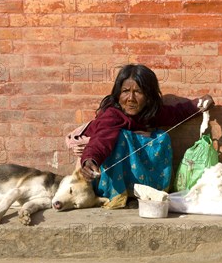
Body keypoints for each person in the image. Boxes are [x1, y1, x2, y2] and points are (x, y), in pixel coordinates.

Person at [68, 64, 214, 208]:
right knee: (121, 138)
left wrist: (199, 104)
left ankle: (144, 192)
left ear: (149, 96)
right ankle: (117, 194)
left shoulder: (149, 111)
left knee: (161, 137)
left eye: (138, 92)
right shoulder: (112, 115)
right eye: (125, 91)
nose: (131, 98)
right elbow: (102, 139)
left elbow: (175, 114)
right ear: (118, 94)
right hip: (99, 162)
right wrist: (90, 160)